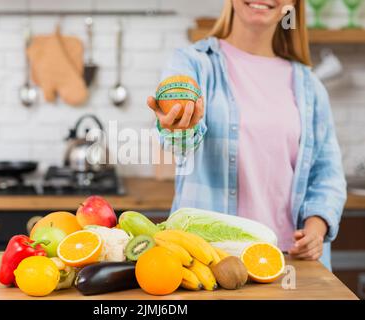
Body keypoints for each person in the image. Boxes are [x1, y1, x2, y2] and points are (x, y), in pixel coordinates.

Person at [147, 0, 346, 269]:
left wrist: (316, 228)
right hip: (210, 260)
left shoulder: (310, 86)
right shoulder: (193, 63)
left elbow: (327, 174)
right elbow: (180, 143)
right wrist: (178, 127)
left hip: (287, 261)